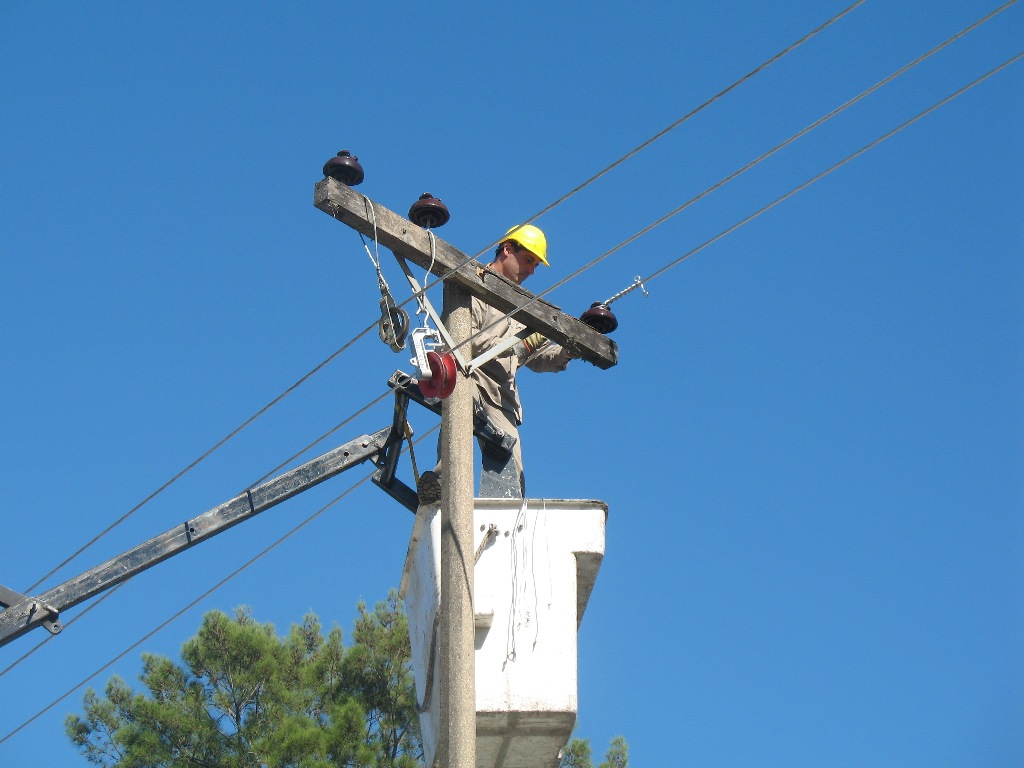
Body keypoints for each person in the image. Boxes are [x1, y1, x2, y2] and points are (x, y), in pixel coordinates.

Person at [417, 224, 573, 504]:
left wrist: (568, 351)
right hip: (470, 378)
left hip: (502, 397)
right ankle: (440, 485)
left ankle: (508, 516)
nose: (531, 271)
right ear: (507, 249)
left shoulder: (523, 305)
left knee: (512, 468)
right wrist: (520, 345)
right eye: (529, 261)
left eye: (536, 265)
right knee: (459, 416)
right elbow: (465, 342)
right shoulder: (473, 284)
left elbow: (539, 359)